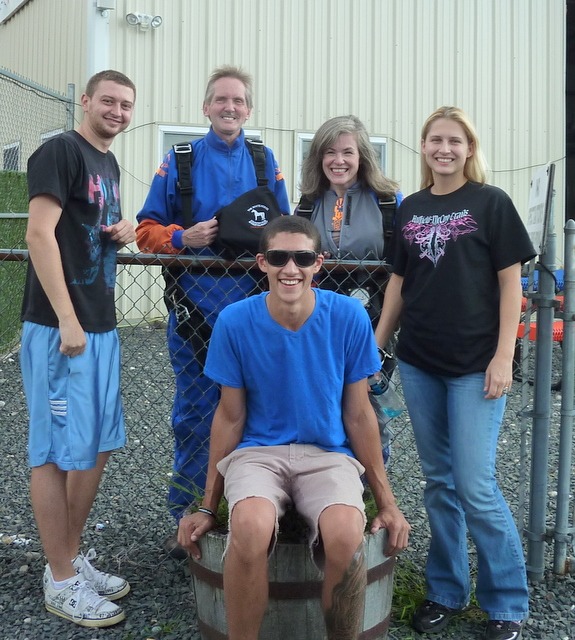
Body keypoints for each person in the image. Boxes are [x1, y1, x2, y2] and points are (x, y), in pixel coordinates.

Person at [177, 215, 411, 640]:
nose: (291, 268)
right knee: (249, 526)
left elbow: (359, 414)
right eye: (279, 257)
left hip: (328, 453)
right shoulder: (234, 321)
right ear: (261, 263)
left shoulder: (348, 316)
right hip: (258, 453)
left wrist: (387, 502)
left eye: (302, 258)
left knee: (346, 533)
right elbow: (230, 416)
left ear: (318, 263)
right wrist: (209, 506)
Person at [375, 106, 534, 640]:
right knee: (439, 483)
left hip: (475, 365)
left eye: (454, 141)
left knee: (475, 483)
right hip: (421, 362)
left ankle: (506, 600)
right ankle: (446, 590)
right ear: (423, 147)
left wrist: (503, 356)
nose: (444, 149)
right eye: (435, 140)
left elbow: (511, 284)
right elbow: (399, 282)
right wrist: (377, 345)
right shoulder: (411, 207)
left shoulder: (492, 203)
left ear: (469, 149)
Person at [135, 65, 290, 557]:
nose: (229, 107)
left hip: (256, 313)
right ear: (206, 107)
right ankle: (187, 516)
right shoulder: (179, 161)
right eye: (221, 99)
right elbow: (145, 232)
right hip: (195, 314)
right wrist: (184, 237)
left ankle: (255, 513)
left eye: (238, 101)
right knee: (196, 415)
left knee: (261, 412)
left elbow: (287, 233)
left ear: (249, 109)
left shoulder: (264, 162)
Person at [20, 70, 136, 627]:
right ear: (85, 101)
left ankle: (66, 556)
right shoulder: (60, 151)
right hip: (61, 328)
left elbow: (85, 228)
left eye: (126, 105)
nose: (117, 111)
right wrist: (67, 319)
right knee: (53, 451)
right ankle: (61, 579)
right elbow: (38, 234)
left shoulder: (106, 163)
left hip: (100, 324)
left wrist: (123, 229)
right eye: (107, 101)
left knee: (96, 444)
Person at [296, 114, 403, 461]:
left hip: (374, 317)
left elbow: (404, 269)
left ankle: (373, 481)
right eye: (329, 152)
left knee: (370, 402)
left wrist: (382, 336)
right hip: (320, 319)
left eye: (347, 152)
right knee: (322, 399)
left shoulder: (389, 202)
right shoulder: (307, 204)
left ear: (362, 157)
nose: (338, 161)